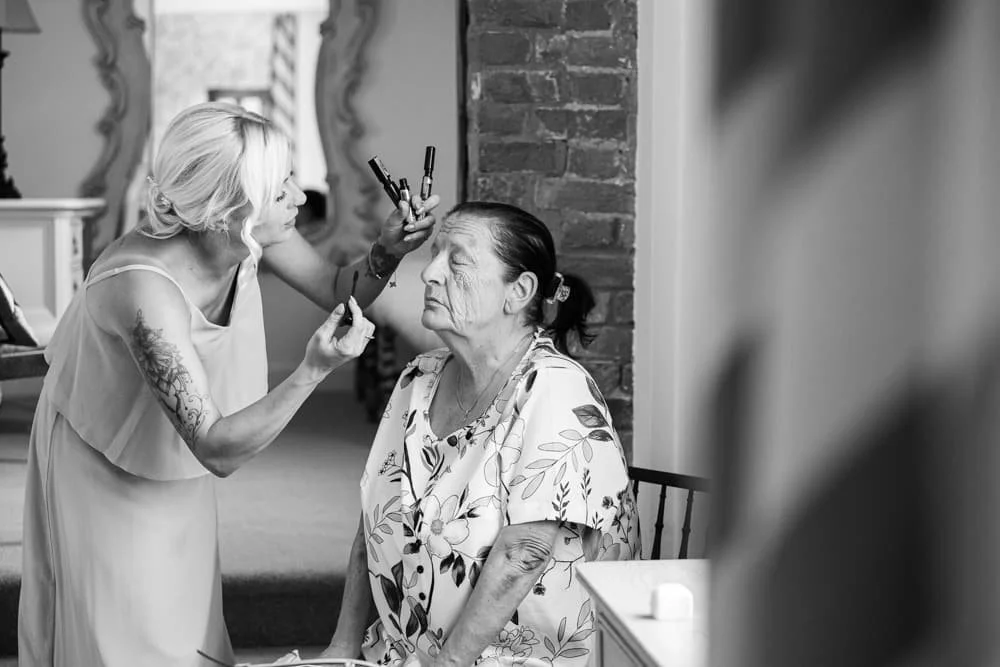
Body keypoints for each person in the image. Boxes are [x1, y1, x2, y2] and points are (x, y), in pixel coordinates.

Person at [17, 101, 439, 667]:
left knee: (184, 616)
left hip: (173, 450)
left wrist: (389, 249)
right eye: (280, 184)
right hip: (100, 451)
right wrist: (312, 369)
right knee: (124, 628)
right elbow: (217, 449)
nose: (297, 195)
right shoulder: (143, 291)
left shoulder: (249, 231)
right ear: (225, 205)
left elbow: (341, 287)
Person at [321, 202, 641, 666]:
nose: (429, 273)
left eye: (457, 260)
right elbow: (374, 520)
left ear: (520, 291)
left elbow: (524, 555)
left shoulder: (556, 390)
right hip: (403, 655)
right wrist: (341, 649)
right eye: (434, 255)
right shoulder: (419, 379)